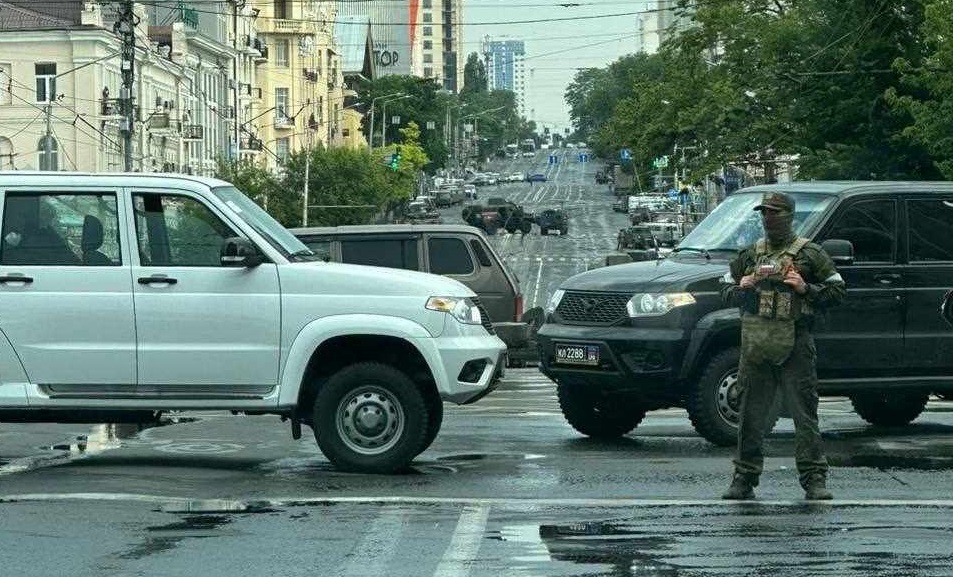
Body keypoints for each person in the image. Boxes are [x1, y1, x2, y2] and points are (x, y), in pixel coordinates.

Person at [719, 191, 846, 500]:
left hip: (796, 342)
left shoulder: (810, 254)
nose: (768, 218)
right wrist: (740, 287)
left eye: (774, 212)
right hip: (756, 340)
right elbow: (723, 289)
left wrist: (806, 288)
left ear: (789, 216)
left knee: (804, 413)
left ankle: (814, 478)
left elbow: (838, 291)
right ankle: (744, 477)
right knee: (750, 412)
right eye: (764, 213)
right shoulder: (750, 255)